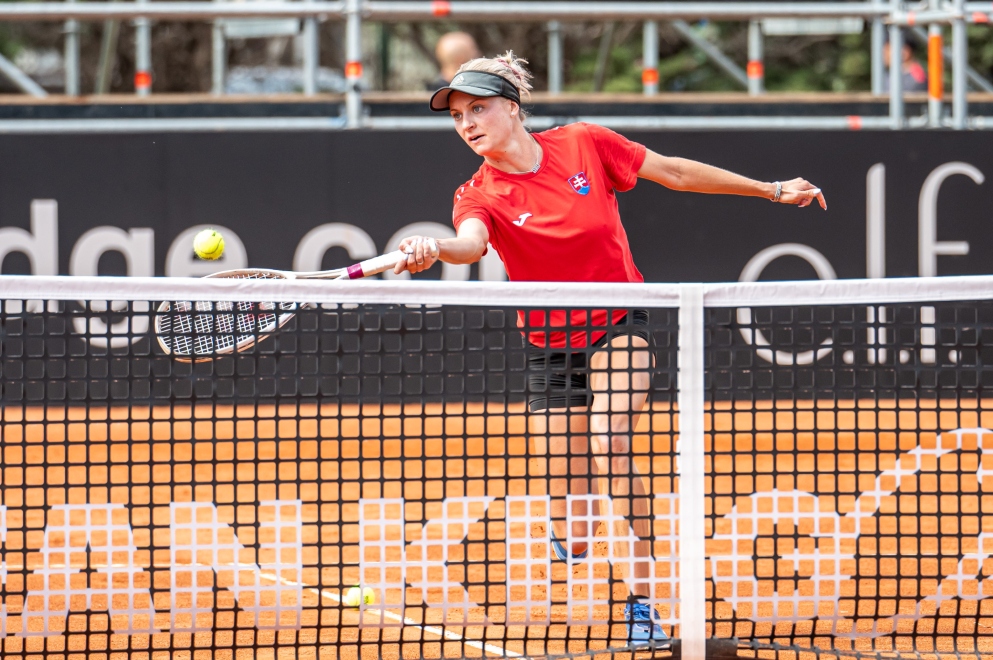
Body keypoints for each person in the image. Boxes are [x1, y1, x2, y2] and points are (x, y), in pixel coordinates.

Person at [396, 51, 826, 645]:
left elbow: (672, 171)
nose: (467, 123)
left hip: (619, 323)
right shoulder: (476, 193)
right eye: (458, 116)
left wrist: (771, 190)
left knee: (612, 437)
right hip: (551, 348)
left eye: (479, 108)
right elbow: (470, 245)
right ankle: (572, 532)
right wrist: (436, 249)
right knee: (574, 529)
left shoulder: (583, 143)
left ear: (513, 109)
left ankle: (643, 606)